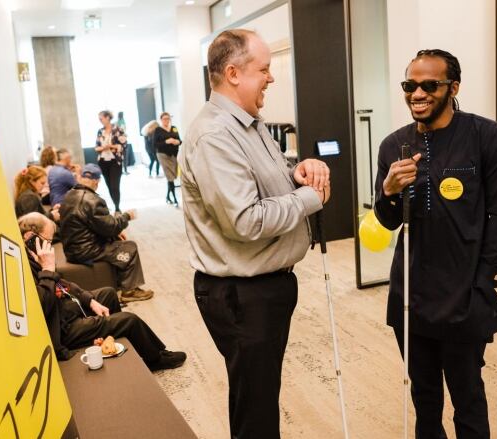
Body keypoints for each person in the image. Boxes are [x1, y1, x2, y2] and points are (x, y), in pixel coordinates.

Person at [179, 29, 331, 439]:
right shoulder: (214, 135)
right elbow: (246, 219)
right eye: (264, 69)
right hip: (241, 295)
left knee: (258, 397)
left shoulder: (250, 124)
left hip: (262, 288)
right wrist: (310, 197)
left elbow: (266, 181)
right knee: (256, 411)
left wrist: (295, 173)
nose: (271, 78)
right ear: (233, 73)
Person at [373, 49, 497, 438]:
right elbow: (388, 220)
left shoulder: (487, 138)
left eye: (429, 85)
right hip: (411, 292)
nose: (416, 93)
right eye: (409, 85)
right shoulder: (393, 146)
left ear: (453, 87)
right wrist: (388, 190)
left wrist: (483, 280)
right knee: (424, 396)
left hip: (465, 292)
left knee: (467, 395)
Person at [17, 212, 186, 370]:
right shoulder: (23, 268)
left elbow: (60, 281)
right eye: (48, 240)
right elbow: (40, 306)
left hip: (63, 309)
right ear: (30, 237)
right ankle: (154, 360)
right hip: (61, 329)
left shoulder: (34, 255)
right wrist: (47, 268)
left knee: (108, 293)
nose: (50, 246)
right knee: (128, 320)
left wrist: (89, 299)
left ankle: (111, 342)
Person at [59, 164, 153, 302]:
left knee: (117, 241)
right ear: (97, 181)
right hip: (85, 251)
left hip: (72, 248)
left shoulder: (69, 194)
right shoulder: (93, 200)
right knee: (129, 247)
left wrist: (114, 234)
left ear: (81, 177)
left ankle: (122, 284)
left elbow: (96, 226)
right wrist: (127, 216)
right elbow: (111, 227)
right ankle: (129, 291)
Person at [95, 110, 127, 212]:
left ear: (108, 117)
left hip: (115, 161)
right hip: (103, 162)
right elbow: (96, 147)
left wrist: (110, 146)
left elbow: (123, 146)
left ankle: (117, 208)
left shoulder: (118, 130)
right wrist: (103, 148)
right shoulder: (100, 131)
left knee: (114, 186)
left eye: (101, 118)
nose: (100, 121)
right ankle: (115, 205)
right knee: (109, 186)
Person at [153, 112, 182, 206]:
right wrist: (166, 141)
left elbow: (180, 140)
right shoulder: (158, 130)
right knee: (170, 177)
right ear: (161, 120)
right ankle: (175, 199)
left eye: (168, 118)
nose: (166, 120)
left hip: (174, 155)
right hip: (163, 155)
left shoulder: (174, 128)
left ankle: (167, 197)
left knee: (172, 176)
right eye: (164, 119)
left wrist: (176, 141)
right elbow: (155, 144)